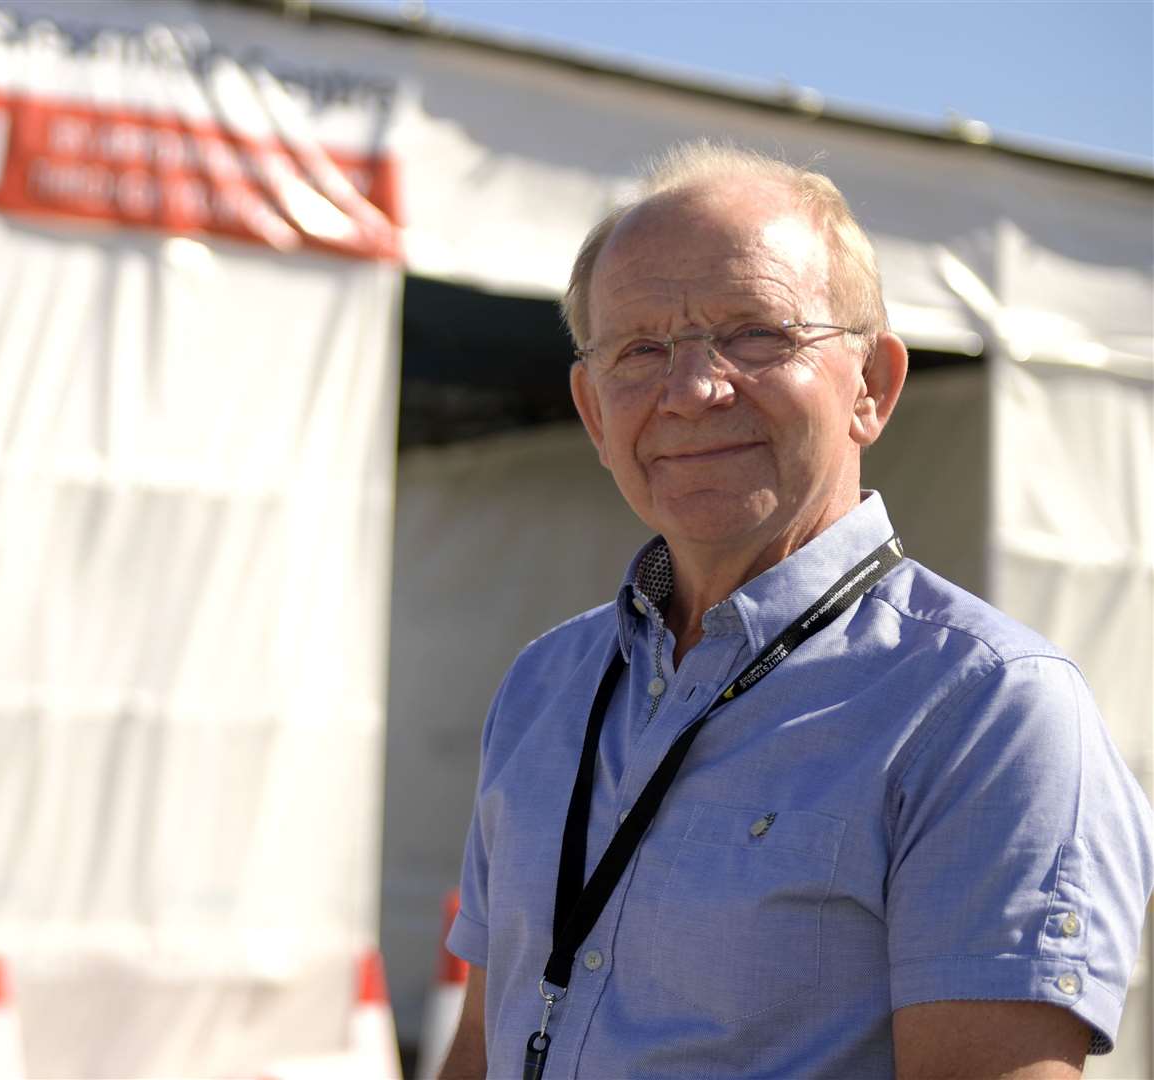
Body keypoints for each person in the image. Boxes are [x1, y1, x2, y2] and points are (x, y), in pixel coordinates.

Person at [437, 142, 1154, 1079]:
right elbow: (485, 1044)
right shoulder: (546, 686)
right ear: (592, 408)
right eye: (640, 350)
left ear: (872, 387)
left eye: (755, 334)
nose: (692, 391)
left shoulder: (984, 711)